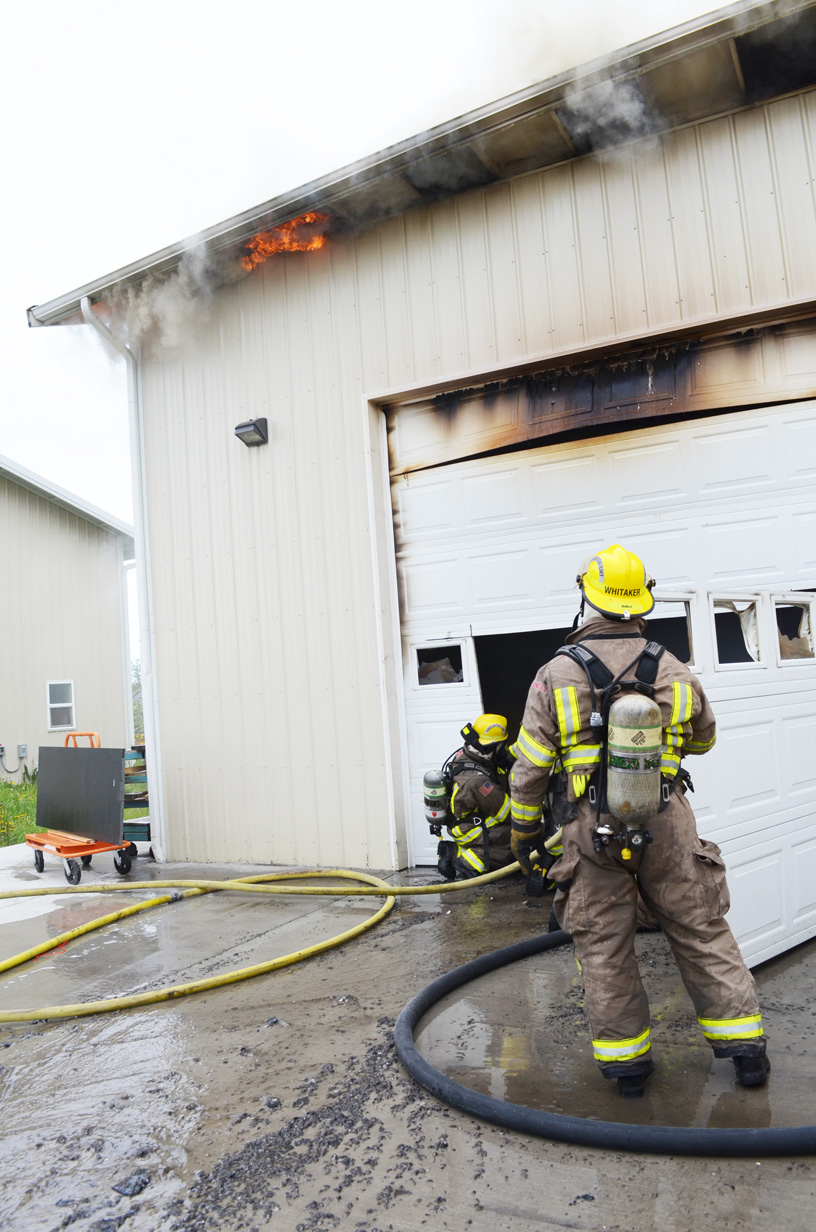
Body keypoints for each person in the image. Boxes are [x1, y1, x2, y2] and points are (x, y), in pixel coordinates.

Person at [509, 544, 768, 1098]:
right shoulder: (671, 665)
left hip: (591, 826)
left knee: (604, 944)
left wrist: (525, 834)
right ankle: (746, 1052)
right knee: (700, 928)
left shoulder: (556, 672)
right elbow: (704, 737)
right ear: (639, 600)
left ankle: (628, 1070)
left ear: (588, 598)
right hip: (667, 820)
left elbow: (529, 768)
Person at [437, 714, 516, 881]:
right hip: (469, 829)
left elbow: (495, 766)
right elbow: (507, 813)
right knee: (516, 840)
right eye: (502, 745)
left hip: (463, 821)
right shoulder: (478, 782)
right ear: (491, 748)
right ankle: (469, 863)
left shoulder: (466, 754)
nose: (504, 748)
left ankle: (455, 851)